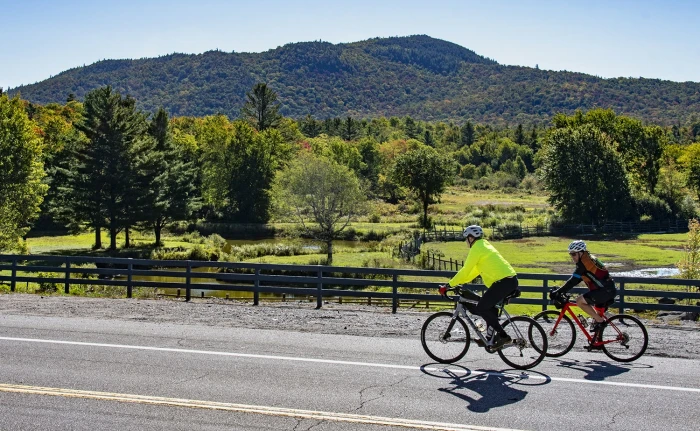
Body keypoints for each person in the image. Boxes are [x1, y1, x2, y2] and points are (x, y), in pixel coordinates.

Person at [439, 225, 519, 349]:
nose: (466, 241)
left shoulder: (477, 248)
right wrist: (458, 283)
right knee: (490, 309)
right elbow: (471, 273)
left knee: (481, 307)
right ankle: (489, 338)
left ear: (471, 238)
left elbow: (465, 270)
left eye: (466, 238)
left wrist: (448, 285)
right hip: (509, 281)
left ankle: (503, 336)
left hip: (504, 282)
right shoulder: (484, 245)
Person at [551, 240, 617, 346]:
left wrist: (559, 291)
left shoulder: (584, 264)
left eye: (574, 254)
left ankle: (600, 321)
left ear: (581, 253)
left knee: (579, 301)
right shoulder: (589, 259)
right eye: (570, 254)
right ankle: (598, 342)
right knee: (596, 317)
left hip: (604, 291)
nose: (572, 257)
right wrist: (562, 290)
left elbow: (573, 280)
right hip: (607, 290)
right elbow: (577, 280)